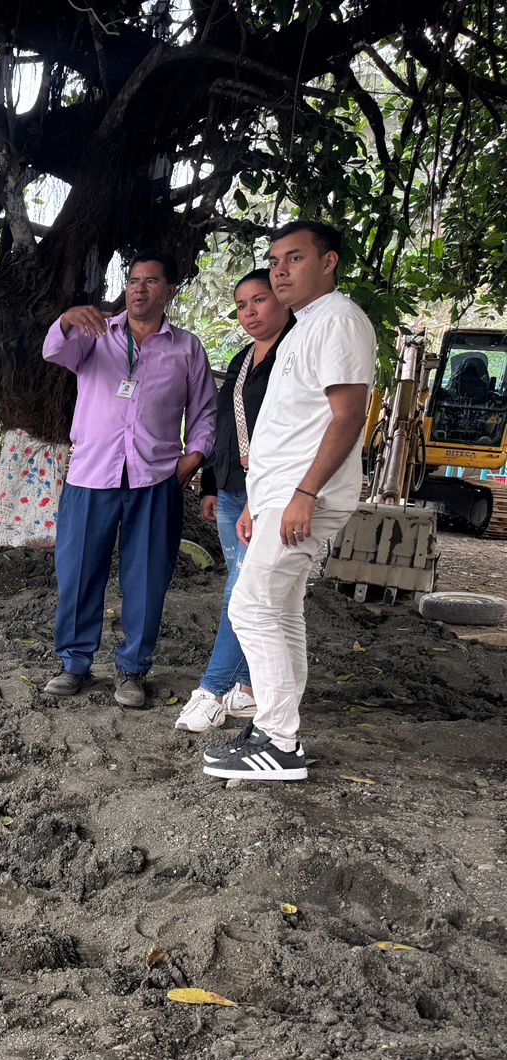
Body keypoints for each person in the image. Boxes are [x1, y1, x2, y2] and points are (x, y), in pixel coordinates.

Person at [202, 219, 375, 781]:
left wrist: (304, 493)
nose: (280, 270)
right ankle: (279, 732)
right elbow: (290, 426)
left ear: (328, 262)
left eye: (294, 258)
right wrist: (259, 501)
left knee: (251, 607)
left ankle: (279, 741)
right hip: (279, 496)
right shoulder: (305, 327)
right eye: (275, 260)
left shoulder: (339, 320)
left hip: (304, 495)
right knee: (279, 610)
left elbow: (348, 417)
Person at [41, 250, 217, 708]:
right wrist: (66, 320)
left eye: (151, 281)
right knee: (78, 573)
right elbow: (54, 351)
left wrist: (193, 458)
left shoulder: (187, 348)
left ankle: (133, 669)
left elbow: (204, 411)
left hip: (155, 478)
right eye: (134, 280)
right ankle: (74, 664)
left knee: (147, 578)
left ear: (170, 290)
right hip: (91, 474)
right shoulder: (95, 333)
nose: (139, 288)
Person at [174, 269, 295, 732]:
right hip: (229, 489)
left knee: (242, 591)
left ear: (282, 299)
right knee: (246, 587)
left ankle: (212, 690)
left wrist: (255, 497)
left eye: (259, 300)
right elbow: (226, 425)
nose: (249, 312)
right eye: (241, 305)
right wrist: (210, 484)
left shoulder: (295, 352)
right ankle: (246, 688)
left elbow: (294, 433)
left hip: (266, 493)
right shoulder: (244, 357)